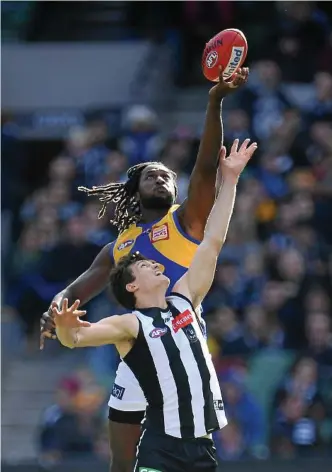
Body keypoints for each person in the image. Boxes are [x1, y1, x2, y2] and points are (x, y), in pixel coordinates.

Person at [40, 68, 249, 472]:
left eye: (167, 176)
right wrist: (56, 312)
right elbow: (80, 288)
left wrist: (215, 101)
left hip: (179, 331)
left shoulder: (185, 219)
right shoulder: (117, 246)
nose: (161, 178)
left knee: (186, 442)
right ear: (134, 191)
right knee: (122, 459)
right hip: (138, 342)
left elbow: (206, 170)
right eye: (151, 175)